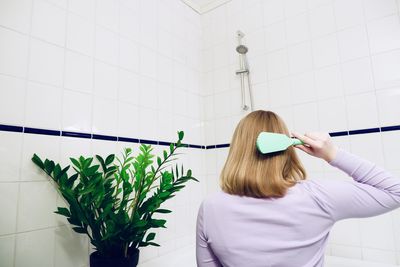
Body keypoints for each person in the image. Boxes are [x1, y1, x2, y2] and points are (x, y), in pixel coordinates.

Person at [196, 110, 400, 267]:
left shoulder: (211, 206)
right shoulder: (317, 196)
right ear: (286, 149)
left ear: (237, 150)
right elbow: (395, 192)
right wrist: (332, 153)